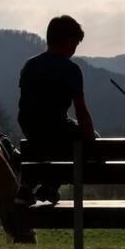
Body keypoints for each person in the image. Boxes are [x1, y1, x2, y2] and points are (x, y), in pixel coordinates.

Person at [18, 15, 96, 203]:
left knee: (47, 144)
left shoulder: (30, 65)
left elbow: (26, 103)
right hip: (56, 129)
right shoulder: (71, 69)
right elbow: (81, 110)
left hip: (31, 128)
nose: (75, 49)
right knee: (83, 141)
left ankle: (30, 186)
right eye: (75, 44)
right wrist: (92, 138)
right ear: (69, 41)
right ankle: (50, 187)